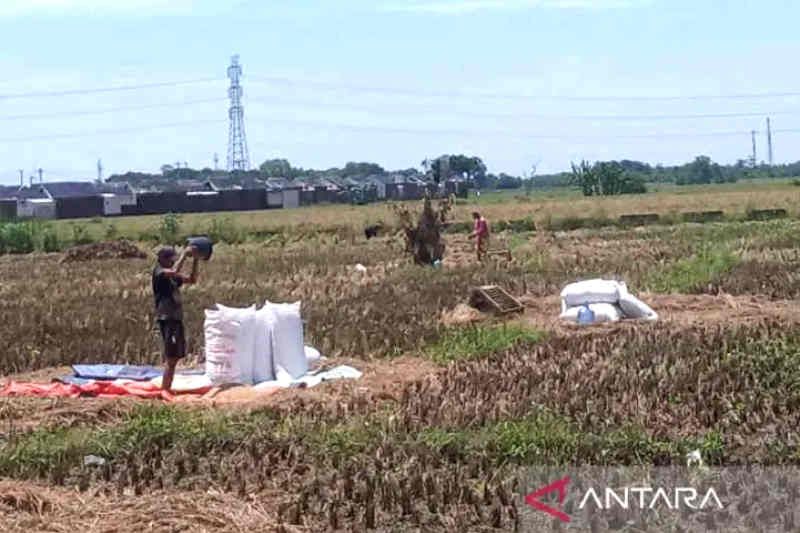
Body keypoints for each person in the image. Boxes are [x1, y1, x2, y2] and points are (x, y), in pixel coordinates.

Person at [152, 245, 199, 392]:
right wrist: (184, 255)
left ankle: (167, 388)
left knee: (176, 355)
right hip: (167, 318)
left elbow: (192, 279)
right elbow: (174, 272)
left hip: (176, 318)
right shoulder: (159, 272)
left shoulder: (172, 278)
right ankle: (165, 390)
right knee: (171, 357)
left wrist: (196, 259)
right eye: (170, 259)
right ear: (162, 259)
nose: (173, 261)